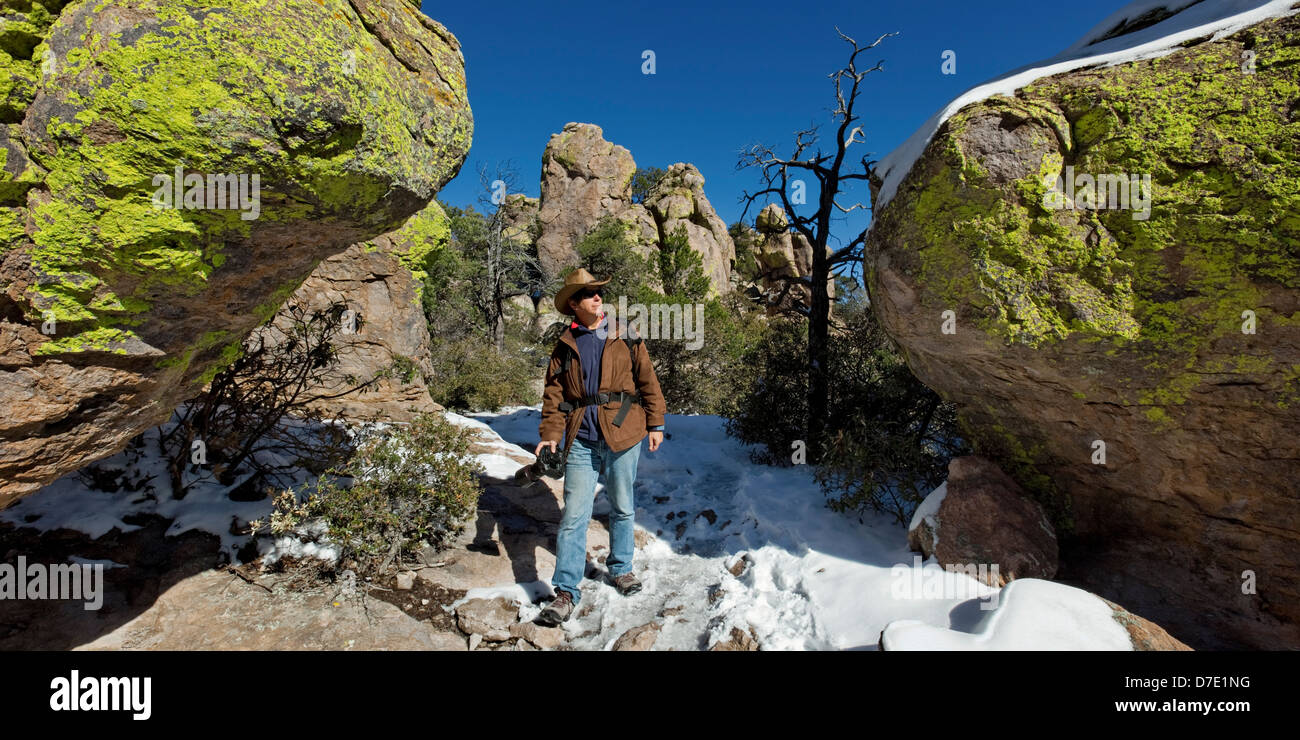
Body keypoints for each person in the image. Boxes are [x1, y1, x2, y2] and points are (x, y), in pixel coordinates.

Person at [534, 267, 666, 626]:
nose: (598, 297)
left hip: (624, 430)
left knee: (622, 506)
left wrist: (656, 422)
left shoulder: (625, 333)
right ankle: (565, 591)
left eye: (599, 292)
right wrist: (550, 434)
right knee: (574, 515)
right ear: (574, 304)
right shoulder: (564, 345)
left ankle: (621, 568)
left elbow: (648, 380)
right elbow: (554, 395)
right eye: (589, 293)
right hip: (581, 438)